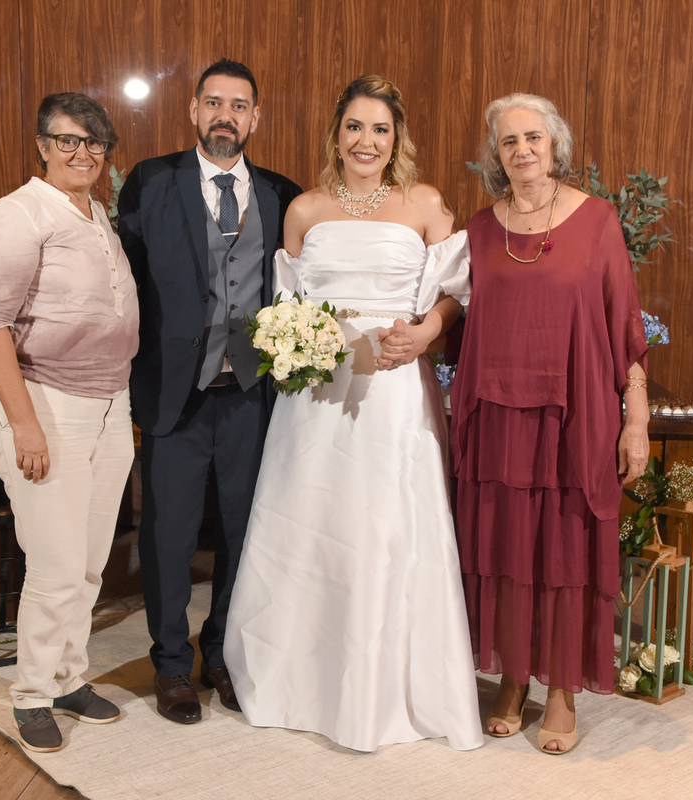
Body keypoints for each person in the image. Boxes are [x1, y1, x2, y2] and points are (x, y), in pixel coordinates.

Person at [223, 75, 485, 753]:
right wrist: (295, 341)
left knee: (383, 522)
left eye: (380, 129)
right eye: (355, 127)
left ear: (397, 139)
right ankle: (299, 682)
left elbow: (455, 293)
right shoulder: (304, 210)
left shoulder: (425, 203)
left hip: (392, 384)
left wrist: (425, 334)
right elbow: (286, 304)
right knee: (311, 521)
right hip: (315, 392)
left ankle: (385, 689)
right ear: (336, 135)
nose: (366, 141)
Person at [450, 93, 649, 755]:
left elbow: (625, 325)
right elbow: (456, 317)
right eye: (509, 141)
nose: (523, 150)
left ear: (555, 144)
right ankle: (512, 680)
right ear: (496, 155)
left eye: (533, 137)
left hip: (575, 416)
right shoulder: (481, 229)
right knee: (507, 550)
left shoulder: (597, 220)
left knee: (564, 553)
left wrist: (636, 420)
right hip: (499, 416)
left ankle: (561, 688)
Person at [117, 59, 302, 725]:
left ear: (255, 117)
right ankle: (171, 664)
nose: (226, 115)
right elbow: (126, 282)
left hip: (252, 396)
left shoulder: (282, 195)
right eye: (214, 103)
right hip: (176, 393)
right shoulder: (150, 182)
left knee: (243, 531)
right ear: (194, 111)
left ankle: (221, 653)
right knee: (167, 535)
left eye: (239, 105)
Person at [0, 92, 138, 753]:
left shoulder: (95, 212)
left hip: (108, 404)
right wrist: (25, 425)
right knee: (57, 563)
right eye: (68, 141)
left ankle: (69, 677)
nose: (83, 154)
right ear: (42, 145)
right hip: (44, 402)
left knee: (90, 563)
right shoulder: (17, 214)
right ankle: (32, 693)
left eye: (95, 143)